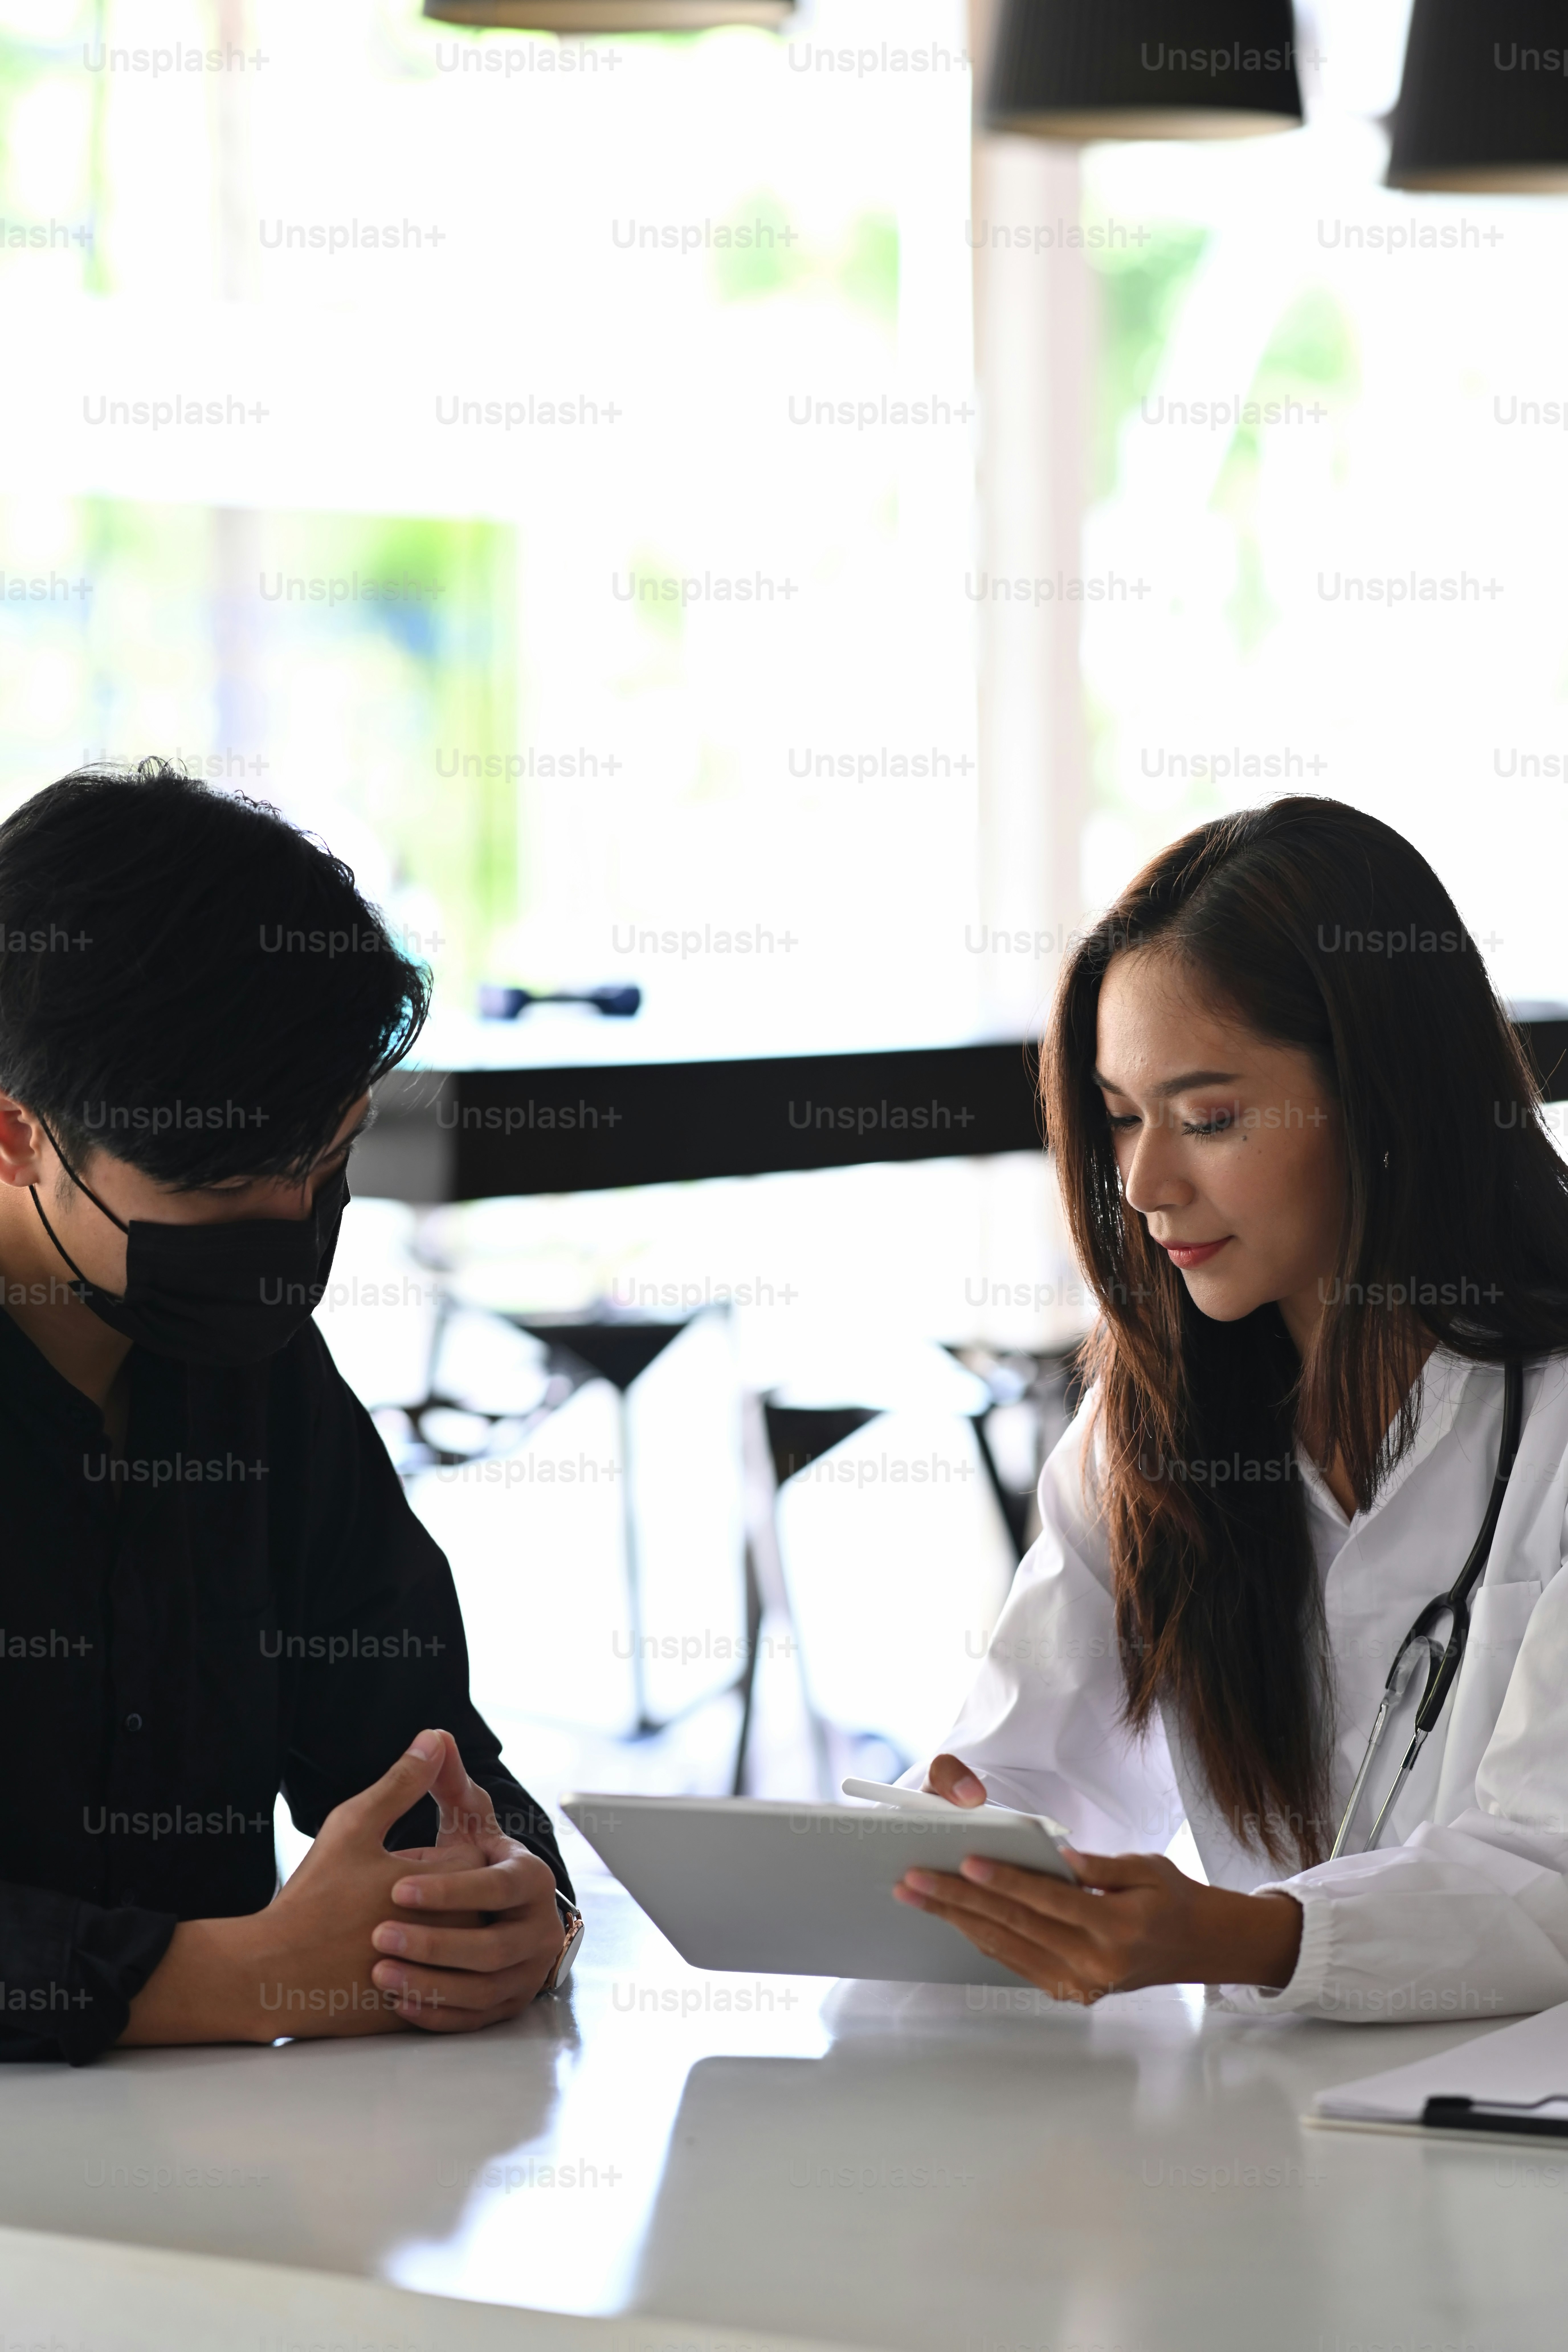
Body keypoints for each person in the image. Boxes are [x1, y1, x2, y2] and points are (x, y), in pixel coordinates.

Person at [895, 797, 1568, 2022]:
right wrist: (957, 1835)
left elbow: (1550, 1876)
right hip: (1270, 2129)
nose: (1145, 1185)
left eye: (1207, 1118)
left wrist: (1254, 1936)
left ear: (1382, 1101)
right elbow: (1045, 1776)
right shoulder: (1147, 1428)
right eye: (1118, 1119)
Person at [0, 761, 575, 2065]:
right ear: (17, 1138)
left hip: (233, 2183)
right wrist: (228, 1978)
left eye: (327, 1159)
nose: (287, 1227)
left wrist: (507, 1907)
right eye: (225, 1185)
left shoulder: (251, 1368)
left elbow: (423, 1763)